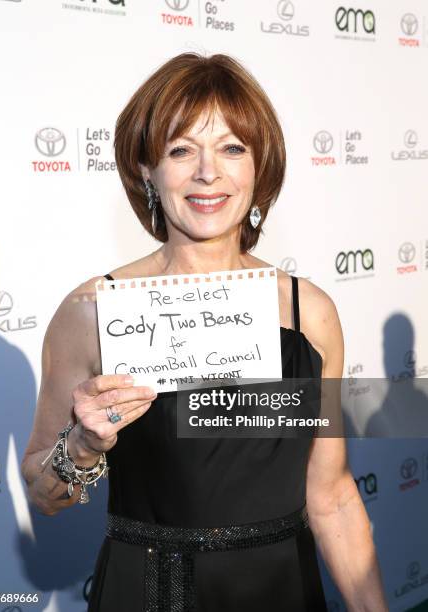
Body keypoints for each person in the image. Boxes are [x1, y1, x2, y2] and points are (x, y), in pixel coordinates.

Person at [21, 53, 388, 611]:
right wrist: (84, 442)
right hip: (145, 593)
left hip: (280, 592)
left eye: (232, 148)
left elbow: (332, 493)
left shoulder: (308, 311)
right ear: (146, 169)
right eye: (180, 149)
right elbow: (45, 494)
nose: (207, 172)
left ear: (259, 166)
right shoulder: (91, 312)